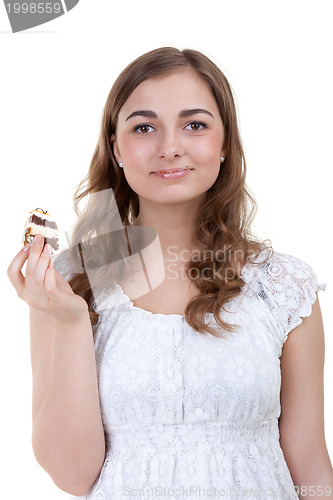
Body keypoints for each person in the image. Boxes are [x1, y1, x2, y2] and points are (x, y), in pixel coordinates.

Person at [7, 46, 333, 499]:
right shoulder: (66, 282)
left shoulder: (283, 286)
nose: (170, 147)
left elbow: (311, 462)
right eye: (144, 127)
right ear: (116, 147)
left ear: (224, 144)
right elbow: (73, 475)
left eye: (194, 124)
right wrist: (68, 321)